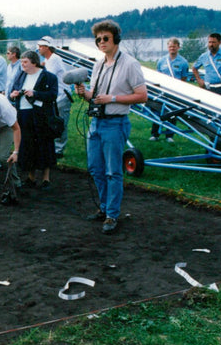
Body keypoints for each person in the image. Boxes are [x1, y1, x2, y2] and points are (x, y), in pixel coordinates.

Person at [75, 20, 147, 234]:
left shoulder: (130, 64)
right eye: (98, 39)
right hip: (96, 122)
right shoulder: (98, 64)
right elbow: (96, 97)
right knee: (95, 168)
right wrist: (85, 93)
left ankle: (112, 214)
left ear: (116, 39)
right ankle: (104, 207)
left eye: (106, 38)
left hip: (115, 123)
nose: (101, 42)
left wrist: (113, 98)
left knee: (113, 171)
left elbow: (142, 96)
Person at [10, 50, 58, 189]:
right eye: (21, 62)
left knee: (44, 145)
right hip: (24, 114)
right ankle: (31, 177)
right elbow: (12, 92)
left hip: (41, 116)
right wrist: (13, 95)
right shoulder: (20, 76)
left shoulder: (49, 77)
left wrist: (35, 94)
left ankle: (46, 178)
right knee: (28, 144)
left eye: (25, 62)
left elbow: (53, 95)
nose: (23, 65)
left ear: (34, 62)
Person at [37, 36, 72, 160]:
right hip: (56, 97)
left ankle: (59, 149)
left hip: (62, 96)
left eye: (41, 46)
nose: (39, 49)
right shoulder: (48, 60)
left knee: (60, 122)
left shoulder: (54, 59)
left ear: (47, 47)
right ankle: (54, 147)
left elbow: (48, 77)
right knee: (53, 121)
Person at [150, 37, 189, 142]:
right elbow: (158, 75)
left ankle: (169, 135)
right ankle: (155, 134)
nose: (172, 48)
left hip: (175, 92)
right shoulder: (162, 61)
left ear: (178, 47)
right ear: (168, 47)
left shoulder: (183, 62)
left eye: (174, 46)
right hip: (163, 91)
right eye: (170, 46)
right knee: (158, 112)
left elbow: (184, 78)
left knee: (172, 113)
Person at [192, 33, 221, 99]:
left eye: (214, 42)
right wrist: (199, 79)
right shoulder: (204, 56)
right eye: (209, 42)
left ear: (219, 42)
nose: (211, 44)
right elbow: (194, 68)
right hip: (208, 88)